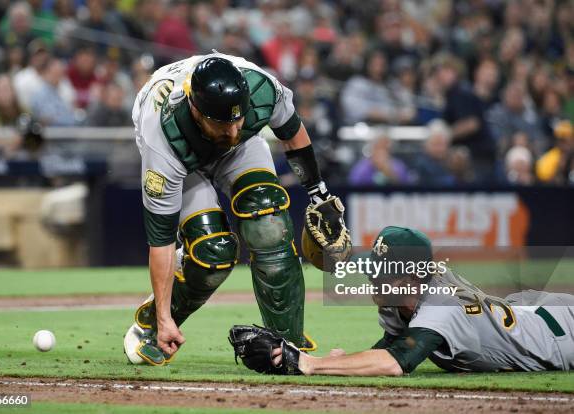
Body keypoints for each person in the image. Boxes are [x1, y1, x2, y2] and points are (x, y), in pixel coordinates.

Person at [123, 53, 350, 366]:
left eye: (238, 119)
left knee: (268, 219)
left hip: (242, 148)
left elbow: (292, 133)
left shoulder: (262, 89)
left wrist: (318, 196)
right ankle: (156, 324)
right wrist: (164, 318)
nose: (231, 132)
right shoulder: (162, 139)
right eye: (221, 123)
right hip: (184, 155)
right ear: (194, 109)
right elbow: (161, 242)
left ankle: (289, 344)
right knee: (212, 252)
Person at [233, 226, 574, 376]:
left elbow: (395, 363)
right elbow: (387, 348)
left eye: (381, 272)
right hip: (528, 309)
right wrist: (321, 359)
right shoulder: (401, 298)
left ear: (410, 278)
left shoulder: (441, 305)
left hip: (559, 336)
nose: (371, 278)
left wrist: (307, 363)